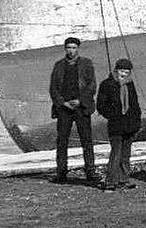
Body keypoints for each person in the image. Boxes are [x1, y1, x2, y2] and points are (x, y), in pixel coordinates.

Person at [49, 36, 98, 184]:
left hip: (81, 108)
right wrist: (63, 103)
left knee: (87, 140)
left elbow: (92, 86)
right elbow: (53, 88)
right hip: (64, 109)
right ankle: (61, 173)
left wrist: (80, 101)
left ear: (78, 49)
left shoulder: (86, 64)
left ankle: (90, 172)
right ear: (65, 49)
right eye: (68, 48)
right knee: (62, 141)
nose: (71, 51)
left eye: (74, 48)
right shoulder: (58, 65)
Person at [96, 57, 141, 191]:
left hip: (129, 125)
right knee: (116, 153)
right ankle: (110, 181)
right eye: (121, 70)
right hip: (116, 125)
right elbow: (101, 106)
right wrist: (113, 115)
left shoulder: (130, 84)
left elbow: (135, 105)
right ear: (116, 70)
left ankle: (123, 179)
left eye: (127, 71)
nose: (124, 74)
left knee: (126, 154)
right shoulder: (107, 84)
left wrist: (136, 121)